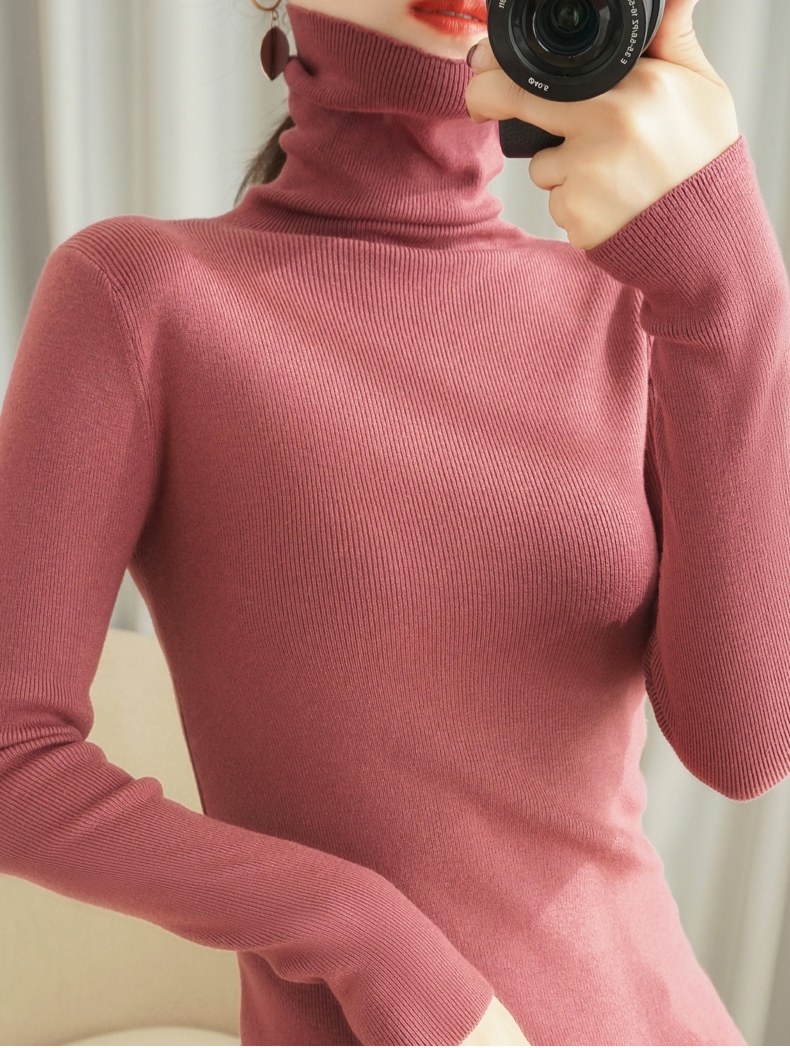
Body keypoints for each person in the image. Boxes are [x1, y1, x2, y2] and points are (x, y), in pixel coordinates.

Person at [0, 0, 787, 1043]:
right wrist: (366, 937)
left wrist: (731, 290)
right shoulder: (140, 296)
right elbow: (14, 757)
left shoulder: (630, 310)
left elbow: (744, 748)